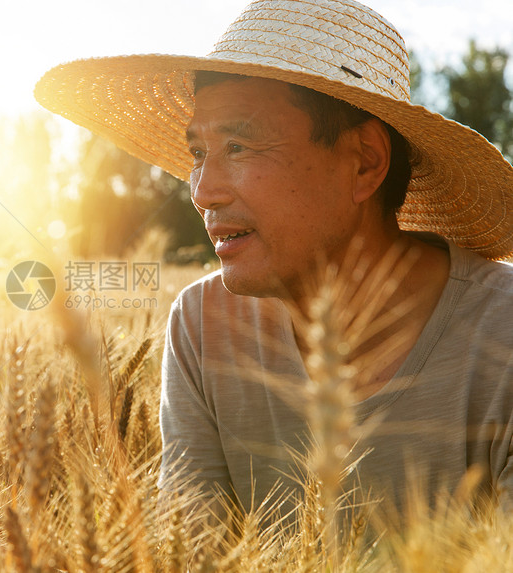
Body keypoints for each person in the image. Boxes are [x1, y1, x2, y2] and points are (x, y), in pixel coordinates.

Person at [35, 0, 513, 517]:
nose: (203, 191)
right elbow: (194, 554)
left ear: (365, 162)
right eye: (199, 152)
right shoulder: (202, 327)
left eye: (239, 147)